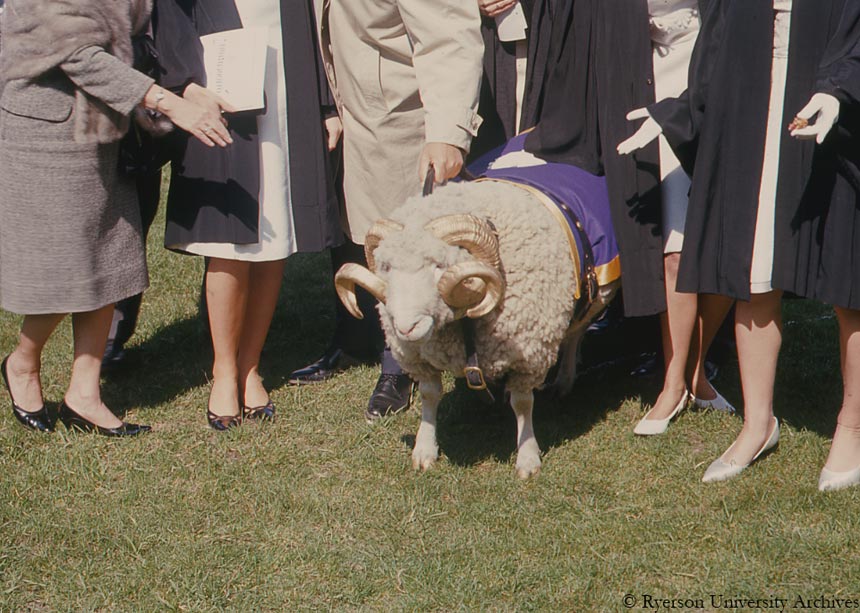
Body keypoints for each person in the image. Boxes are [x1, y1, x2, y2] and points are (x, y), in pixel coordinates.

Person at [621, 0, 860, 485]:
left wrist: (838, 91)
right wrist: (679, 113)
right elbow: (717, 45)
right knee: (755, 271)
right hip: (754, 115)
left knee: (848, 284)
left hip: (833, 115)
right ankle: (758, 423)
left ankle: (852, 425)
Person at [0, 0, 228, 435]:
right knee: (70, 265)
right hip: (49, 130)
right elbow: (77, 53)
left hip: (108, 124)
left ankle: (84, 395)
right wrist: (167, 101)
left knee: (110, 255)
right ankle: (22, 362)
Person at [524, 0, 734, 437]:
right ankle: (673, 383)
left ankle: (696, 369)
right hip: (644, 76)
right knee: (674, 246)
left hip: (712, 67)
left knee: (728, 238)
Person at [154, 0, 343, 429]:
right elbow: (169, 17)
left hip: (285, 93)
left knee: (275, 238)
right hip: (218, 89)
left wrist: (325, 106)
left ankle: (250, 365)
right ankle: (224, 370)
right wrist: (184, 84)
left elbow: (308, 27)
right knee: (227, 241)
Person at [312, 0, 484, 420]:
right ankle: (354, 335)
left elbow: (449, 32)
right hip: (351, 103)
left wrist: (448, 130)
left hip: (400, 112)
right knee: (356, 223)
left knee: (402, 241)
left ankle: (402, 362)